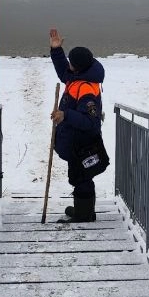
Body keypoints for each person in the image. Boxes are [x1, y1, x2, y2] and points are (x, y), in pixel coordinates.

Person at [48, 28, 105, 223]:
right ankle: (84, 211)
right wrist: (56, 50)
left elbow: (90, 121)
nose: (69, 65)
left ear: (78, 67)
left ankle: (84, 215)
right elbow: (64, 72)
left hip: (83, 142)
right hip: (75, 140)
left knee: (81, 177)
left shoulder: (86, 88)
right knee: (79, 175)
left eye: (71, 62)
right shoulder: (79, 76)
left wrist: (65, 114)